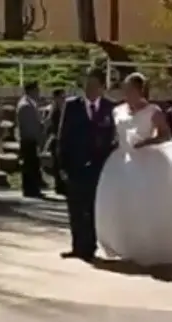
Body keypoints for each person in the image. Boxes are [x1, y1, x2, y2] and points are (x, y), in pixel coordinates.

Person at [94, 73, 172, 266]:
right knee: (120, 203)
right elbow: (115, 135)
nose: (126, 93)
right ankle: (123, 244)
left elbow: (165, 135)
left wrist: (146, 142)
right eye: (125, 89)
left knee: (149, 204)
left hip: (147, 160)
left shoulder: (153, 111)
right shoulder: (117, 110)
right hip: (121, 161)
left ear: (140, 91)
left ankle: (153, 244)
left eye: (130, 90)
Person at [57, 68, 117, 262]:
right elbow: (63, 136)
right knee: (75, 207)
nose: (89, 89)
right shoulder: (72, 106)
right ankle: (77, 246)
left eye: (94, 85)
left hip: (99, 167)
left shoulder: (110, 108)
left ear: (102, 87)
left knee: (92, 208)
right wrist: (62, 166)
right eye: (86, 85)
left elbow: (112, 138)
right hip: (75, 165)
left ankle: (89, 246)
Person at [16, 81, 46, 198]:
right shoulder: (25, 106)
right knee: (29, 165)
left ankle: (34, 188)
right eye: (36, 90)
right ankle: (30, 189)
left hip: (31, 139)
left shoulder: (31, 104)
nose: (38, 93)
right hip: (28, 139)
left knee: (33, 165)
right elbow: (29, 125)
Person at [48, 89, 67, 195]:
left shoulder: (62, 109)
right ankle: (59, 185)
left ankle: (62, 184)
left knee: (60, 163)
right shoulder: (55, 111)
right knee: (57, 163)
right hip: (56, 139)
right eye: (61, 97)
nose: (63, 99)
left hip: (61, 139)